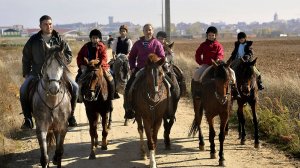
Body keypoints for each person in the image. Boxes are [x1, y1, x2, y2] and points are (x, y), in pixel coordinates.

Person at [20, 15, 78, 129]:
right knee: (23, 90)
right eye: (46, 24)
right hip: (37, 73)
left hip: (57, 74)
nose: (48, 26)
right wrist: (26, 73)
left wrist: (61, 60)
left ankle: (71, 116)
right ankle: (28, 119)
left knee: (75, 87)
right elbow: (26, 57)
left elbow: (69, 54)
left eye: (50, 24)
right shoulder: (33, 40)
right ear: (40, 26)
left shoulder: (59, 39)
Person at [124, 24, 165, 119]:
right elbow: (132, 57)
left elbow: (162, 57)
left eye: (150, 30)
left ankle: (169, 107)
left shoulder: (157, 43)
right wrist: (133, 67)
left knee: (169, 84)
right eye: (146, 30)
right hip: (141, 69)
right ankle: (129, 108)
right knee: (129, 86)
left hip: (155, 69)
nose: (148, 31)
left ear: (153, 31)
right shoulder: (138, 43)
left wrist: (157, 64)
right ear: (143, 31)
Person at [191, 26, 240, 99]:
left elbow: (220, 53)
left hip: (218, 65)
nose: (211, 37)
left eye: (212, 35)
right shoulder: (203, 45)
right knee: (196, 74)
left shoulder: (218, 45)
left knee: (232, 72)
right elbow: (198, 54)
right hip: (207, 65)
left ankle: (235, 91)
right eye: (209, 35)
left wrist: (217, 59)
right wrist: (201, 62)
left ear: (215, 36)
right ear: (207, 35)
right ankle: (197, 91)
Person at [76, 29, 119, 106]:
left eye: (96, 38)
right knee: (78, 78)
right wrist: (81, 65)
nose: (95, 39)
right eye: (93, 38)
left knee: (111, 77)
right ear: (91, 38)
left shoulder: (102, 47)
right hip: (88, 66)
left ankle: (113, 95)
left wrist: (98, 63)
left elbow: (104, 58)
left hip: (100, 66)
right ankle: (79, 97)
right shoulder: (85, 46)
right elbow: (79, 57)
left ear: (99, 39)